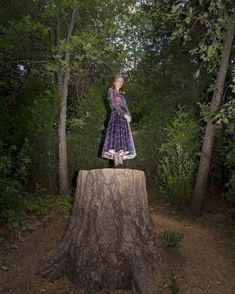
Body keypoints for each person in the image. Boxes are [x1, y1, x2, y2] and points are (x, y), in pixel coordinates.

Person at [102, 74, 136, 167]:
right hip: (116, 118)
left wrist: (129, 116)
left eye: (122, 82)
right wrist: (125, 115)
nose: (120, 83)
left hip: (123, 120)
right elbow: (115, 105)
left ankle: (120, 163)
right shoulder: (111, 91)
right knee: (116, 140)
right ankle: (116, 163)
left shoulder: (122, 96)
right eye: (119, 81)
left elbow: (126, 108)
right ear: (114, 82)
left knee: (121, 141)